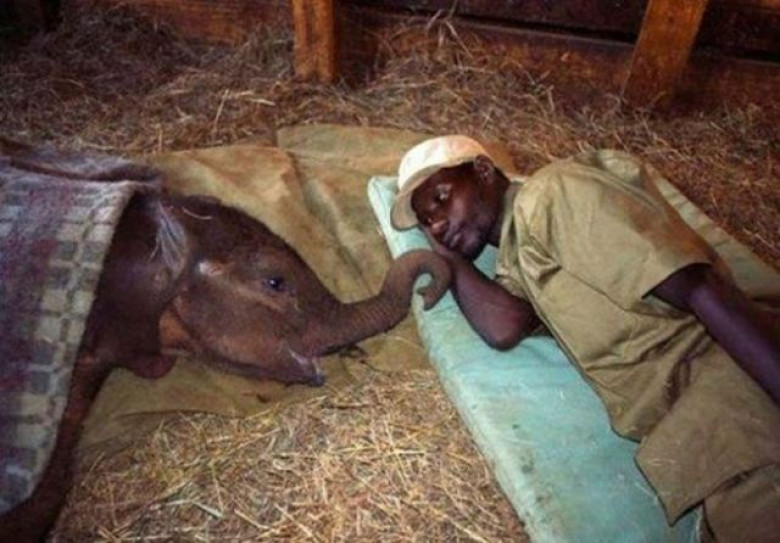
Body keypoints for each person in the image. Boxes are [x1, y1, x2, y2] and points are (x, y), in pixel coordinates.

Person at [390, 135, 780, 542]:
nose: (436, 222)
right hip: (710, 442)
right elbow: (503, 326)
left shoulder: (553, 195)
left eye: (442, 198)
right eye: (425, 221)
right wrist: (444, 250)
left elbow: (698, 286)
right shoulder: (518, 257)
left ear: (484, 171)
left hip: (736, 404)